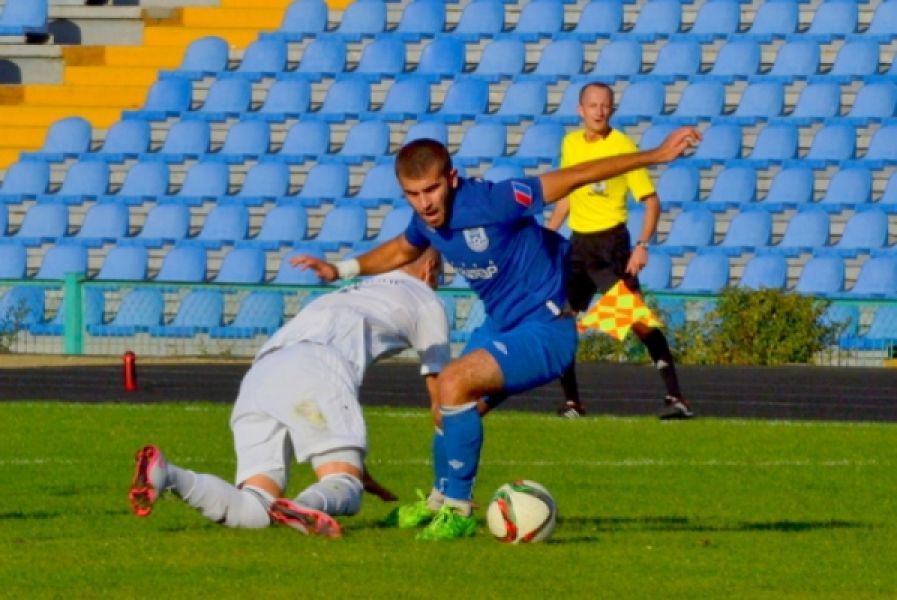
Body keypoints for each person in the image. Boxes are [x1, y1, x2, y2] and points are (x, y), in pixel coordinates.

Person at [292, 126, 701, 541]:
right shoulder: (425, 221)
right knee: (444, 409)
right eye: (413, 194)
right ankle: (438, 501)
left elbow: (576, 175)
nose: (424, 203)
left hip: (546, 327)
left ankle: (458, 510)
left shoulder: (494, 200)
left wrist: (654, 155)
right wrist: (341, 269)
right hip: (501, 325)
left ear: (452, 178)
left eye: (431, 190)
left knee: (453, 382)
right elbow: (402, 248)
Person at [128, 248, 450, 538]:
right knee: (345, 486)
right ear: (429, 268)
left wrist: (354, 464)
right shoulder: (425, 299)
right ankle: (301, 507)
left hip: (262, 372)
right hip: (315, 364)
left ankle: (169, 475)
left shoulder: (356, 290)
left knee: (254, 506)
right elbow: (443, 392)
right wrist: (453, 462)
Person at [546, 82, 694, 420]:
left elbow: (651, 202)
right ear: (580, 110)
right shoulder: (570, 144)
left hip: (610, 247)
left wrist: (642, 246)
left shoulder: (622, 146)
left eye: (605, 105)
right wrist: (549, 233)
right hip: (578, 247)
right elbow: (567, 194)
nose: (599, 111)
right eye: (593, 105)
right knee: (560, 322)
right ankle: (573, 403)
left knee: (638, 322)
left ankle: (676, 398)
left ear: (612, 109)